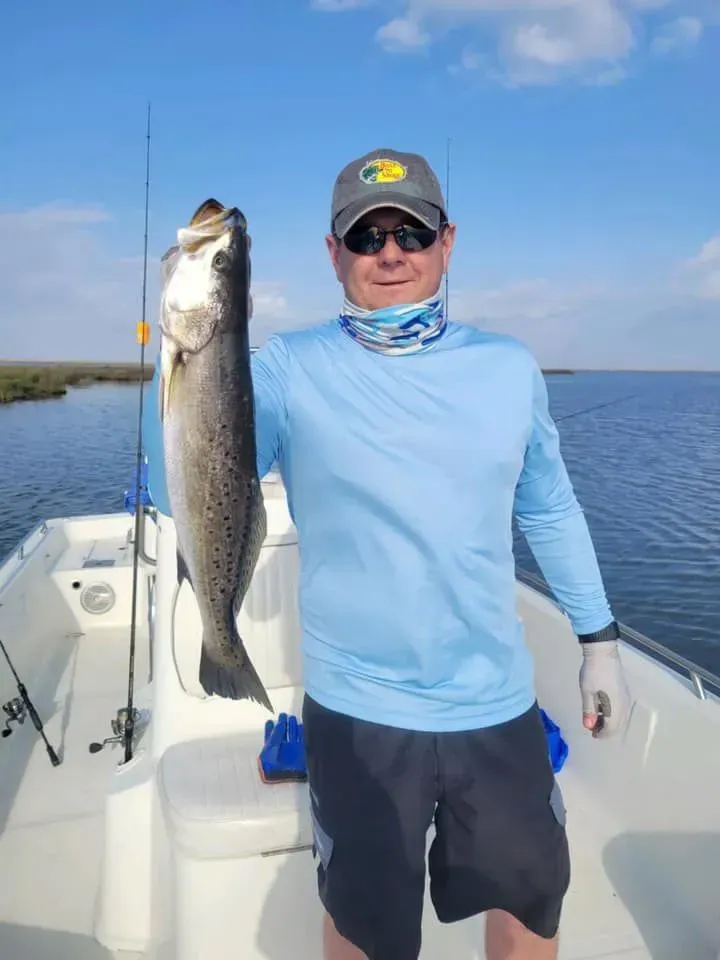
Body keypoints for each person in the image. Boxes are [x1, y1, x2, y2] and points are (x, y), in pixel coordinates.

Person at [145, 148, 632, 960]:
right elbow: (197, 481)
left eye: (410, 230)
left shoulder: (509, 369)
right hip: (358, 715)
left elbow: (549, 507)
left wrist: (600, 641)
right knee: (365, 927)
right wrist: (188, 351)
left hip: (495, 703)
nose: (391, 251)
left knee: (529, 909)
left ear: (448, 242)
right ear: (335, 255)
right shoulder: (285, 369)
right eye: (366, 236)